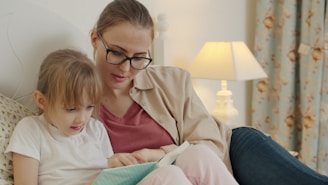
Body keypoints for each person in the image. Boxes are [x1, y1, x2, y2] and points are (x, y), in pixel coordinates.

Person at [90, 0, 328, 185]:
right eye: (117, 53)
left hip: (228, 150)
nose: (125, 67)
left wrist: (157, 154)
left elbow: (210, 144)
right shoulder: (71, 97)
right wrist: (107, 163)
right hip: (162, 178)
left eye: (139, 58)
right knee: (171, 175)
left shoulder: (172, 81)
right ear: (94, 39)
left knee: (198, 155)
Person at [4, 49, 202, 185]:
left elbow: (106, 172)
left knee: (172, 173)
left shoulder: (96, 128)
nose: (82, 119)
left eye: (89, 107)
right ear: (41, 101)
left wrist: (114, 164)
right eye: (71, 109)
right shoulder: (31, 129)